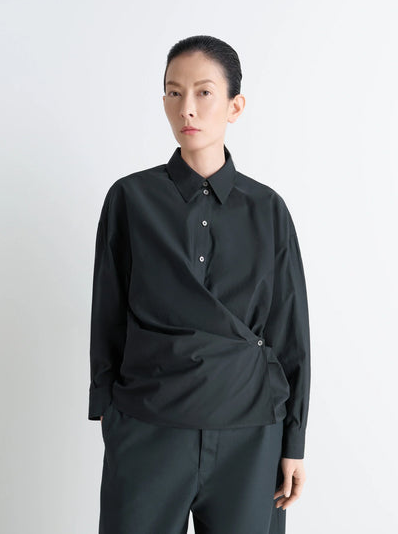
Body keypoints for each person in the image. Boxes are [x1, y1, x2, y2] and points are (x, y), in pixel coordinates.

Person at [89, 35, 311, 534]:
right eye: (174, 92)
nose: (186, 108)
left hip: (250, 433)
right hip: (148, 426)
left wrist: (294, 442)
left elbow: (289, 330)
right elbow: (108, 311)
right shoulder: (130, 198)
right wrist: (108, 411)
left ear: (235, 106)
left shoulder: (268, 208)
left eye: (203, 92)